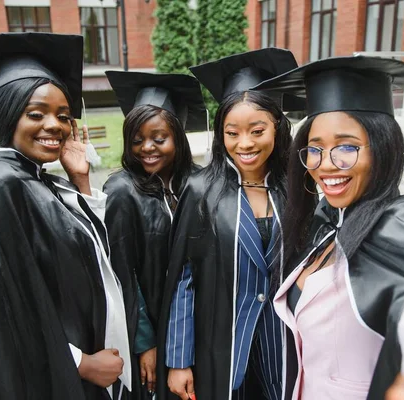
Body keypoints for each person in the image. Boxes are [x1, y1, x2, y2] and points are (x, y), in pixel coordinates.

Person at [251, 56, 404, 399]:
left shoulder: (397, 221)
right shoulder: (325, 220)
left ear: (382, 147)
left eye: (346, 146)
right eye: (315, 149)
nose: (326, 164)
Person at [0, 32, 132, 400]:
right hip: (55, 379)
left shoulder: (33, 179)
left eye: (63, 116)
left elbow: (87, 251)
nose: (55, 126)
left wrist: (79, 178)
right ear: (5, 112)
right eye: (36, 113)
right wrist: (80, 362)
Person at [156, 48, 302, 400]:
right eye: (232, 132)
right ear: (220, 134)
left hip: (282, 347)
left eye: (257, 130)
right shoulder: (202, 189)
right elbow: (183, 280)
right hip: (221, 346)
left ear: (277, 127)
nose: (245, 143)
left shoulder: (297, 188)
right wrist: (178, 360)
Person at [102, 71, 207, 399]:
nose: (146, 147)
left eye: (158, 138)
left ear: (178, 137)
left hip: (199, 327)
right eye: (137, 139)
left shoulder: (202, 185)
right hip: (151, 333)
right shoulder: (120, 191)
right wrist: (145, 342)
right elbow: (121, 271)